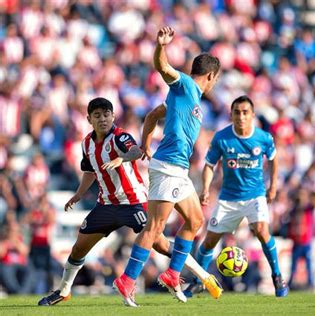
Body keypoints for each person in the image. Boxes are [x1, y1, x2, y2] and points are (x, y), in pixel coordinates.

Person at [38, 97, 220, 307]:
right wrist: (79, 194)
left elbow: (135, 150)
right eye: (97, 116)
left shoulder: (120, 137)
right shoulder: (86, 143)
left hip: (134, 202)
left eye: (106, 114)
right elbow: (90, 170)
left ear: (113, 116)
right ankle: (63, 290)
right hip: (106, 205)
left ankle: (203, 276)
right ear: (89, 119)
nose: (103, 119)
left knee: (161, 244)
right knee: (79, 248)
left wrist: (121, 158)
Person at [113, 26, 221, 303]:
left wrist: (145, 145)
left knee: (195, 220)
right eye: (215, 80)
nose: (215, 84)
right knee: (155, 228)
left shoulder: (186, 99)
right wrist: (161, 46)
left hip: (178, 169)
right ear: (210, 76)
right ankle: (126, 280)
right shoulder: (185, 85)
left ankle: (172, 274)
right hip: (168, 166)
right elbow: (162, 67)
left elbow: (152, 116)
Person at [184, 95, 289, 298]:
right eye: (237, 112)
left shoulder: (264, 138)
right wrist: (205, 188)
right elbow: (209, 165)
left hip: (255, 195)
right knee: (209, 242)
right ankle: (198, 281)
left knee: (261, 230)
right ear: (231, 115)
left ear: (252, 115)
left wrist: (273, 186)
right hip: (228, 199)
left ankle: (277, 276)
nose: (241, 116)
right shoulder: (222, 138)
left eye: (245, 112)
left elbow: (274, 160)